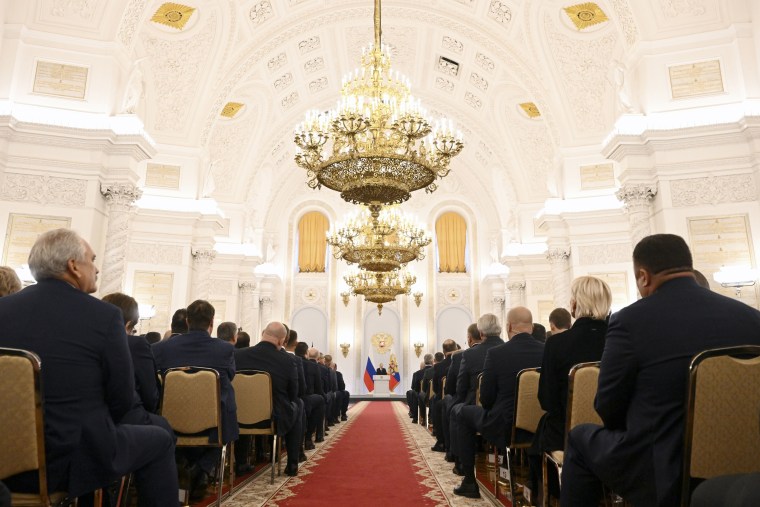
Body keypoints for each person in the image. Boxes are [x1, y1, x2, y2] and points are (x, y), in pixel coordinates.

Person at [561, 234, 760, 507]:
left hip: (661, 466)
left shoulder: (630, 320)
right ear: (688, 266)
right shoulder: (751, 317)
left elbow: (608, 406)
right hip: (746, 463)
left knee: (580, 436)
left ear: (643, 276)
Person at [0, 229, 177, 505]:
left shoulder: (3, 309)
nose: (96, 268)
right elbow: (121, 399)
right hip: (71, 460)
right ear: (73, 266)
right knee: (160, 439)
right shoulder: (104, 316)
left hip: (6, 461)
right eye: (92, 260)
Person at [529, 276, 612, 498]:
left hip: (567, 435)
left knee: (539, 441)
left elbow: (546, 400)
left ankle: (550, 498)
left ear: (575, 304)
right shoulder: (622, 339)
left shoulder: (557, 344)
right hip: (616, 433)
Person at [453, 308, 544, 498]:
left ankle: (469, 481)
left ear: (509, 326)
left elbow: (486, 399)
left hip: (504, 426)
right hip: (542, 428)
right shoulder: (547, 351)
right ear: (532, 327)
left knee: (462, 413)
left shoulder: (496, 353)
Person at [152, 299, 238, 501]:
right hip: (214, 423)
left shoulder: (161, 348)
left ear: (188, 321)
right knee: (227, 415)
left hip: (171, 421)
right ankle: (200, 469)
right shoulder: (225, 350)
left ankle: (181, 466)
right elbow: (231, 376)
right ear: (212, 323)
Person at [234, 322, 302, 476]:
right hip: (273, 418)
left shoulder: (238, 355)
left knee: (245, 405)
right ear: (281, 340)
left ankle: (240, 463)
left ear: (263, 334)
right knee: (298, 404)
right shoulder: (287, 360)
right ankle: (292, 464)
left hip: (239, 417)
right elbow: (293, 394)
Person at [101, 292, 169, 434]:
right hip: (125, 419)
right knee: (165, 431)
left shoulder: (87, 341)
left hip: (93, 417)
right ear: (128, 324)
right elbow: (149, 395)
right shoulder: (136, 345)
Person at [450, 314, 504, 475]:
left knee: (456, 411)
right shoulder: (508, 349)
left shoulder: (469, 354)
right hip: (513, 412)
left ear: (481, 334)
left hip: (481, 408)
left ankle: (462, 467)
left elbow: (461, 388)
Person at [430, 339, 457, 452]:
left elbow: (436, 389)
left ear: (443, 351)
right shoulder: (462, 361)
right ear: (456, 349)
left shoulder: (438, 367)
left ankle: (441, 441)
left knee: (436, 402)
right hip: (463, 399)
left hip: (446, 399)